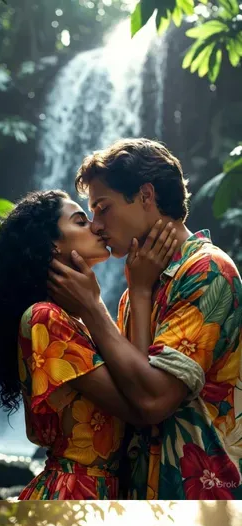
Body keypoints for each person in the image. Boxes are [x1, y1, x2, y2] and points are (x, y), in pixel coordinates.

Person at [50, 138, 242, 500]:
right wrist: (138, 294)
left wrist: (92, 308)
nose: (96, 226)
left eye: (102, 208)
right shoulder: (135, 289)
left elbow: (153, 402)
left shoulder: (208, 272)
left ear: (146, 196)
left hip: (204, 496)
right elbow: (135, 391)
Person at [0, 189, 176, 499]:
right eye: (81, 221)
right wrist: (138, 291)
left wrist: (128, 293)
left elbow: (137, 376)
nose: (97, 226)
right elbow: (141, 409)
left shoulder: (74, 319)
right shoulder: (45, 318)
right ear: (52, 244)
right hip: (75, 492)